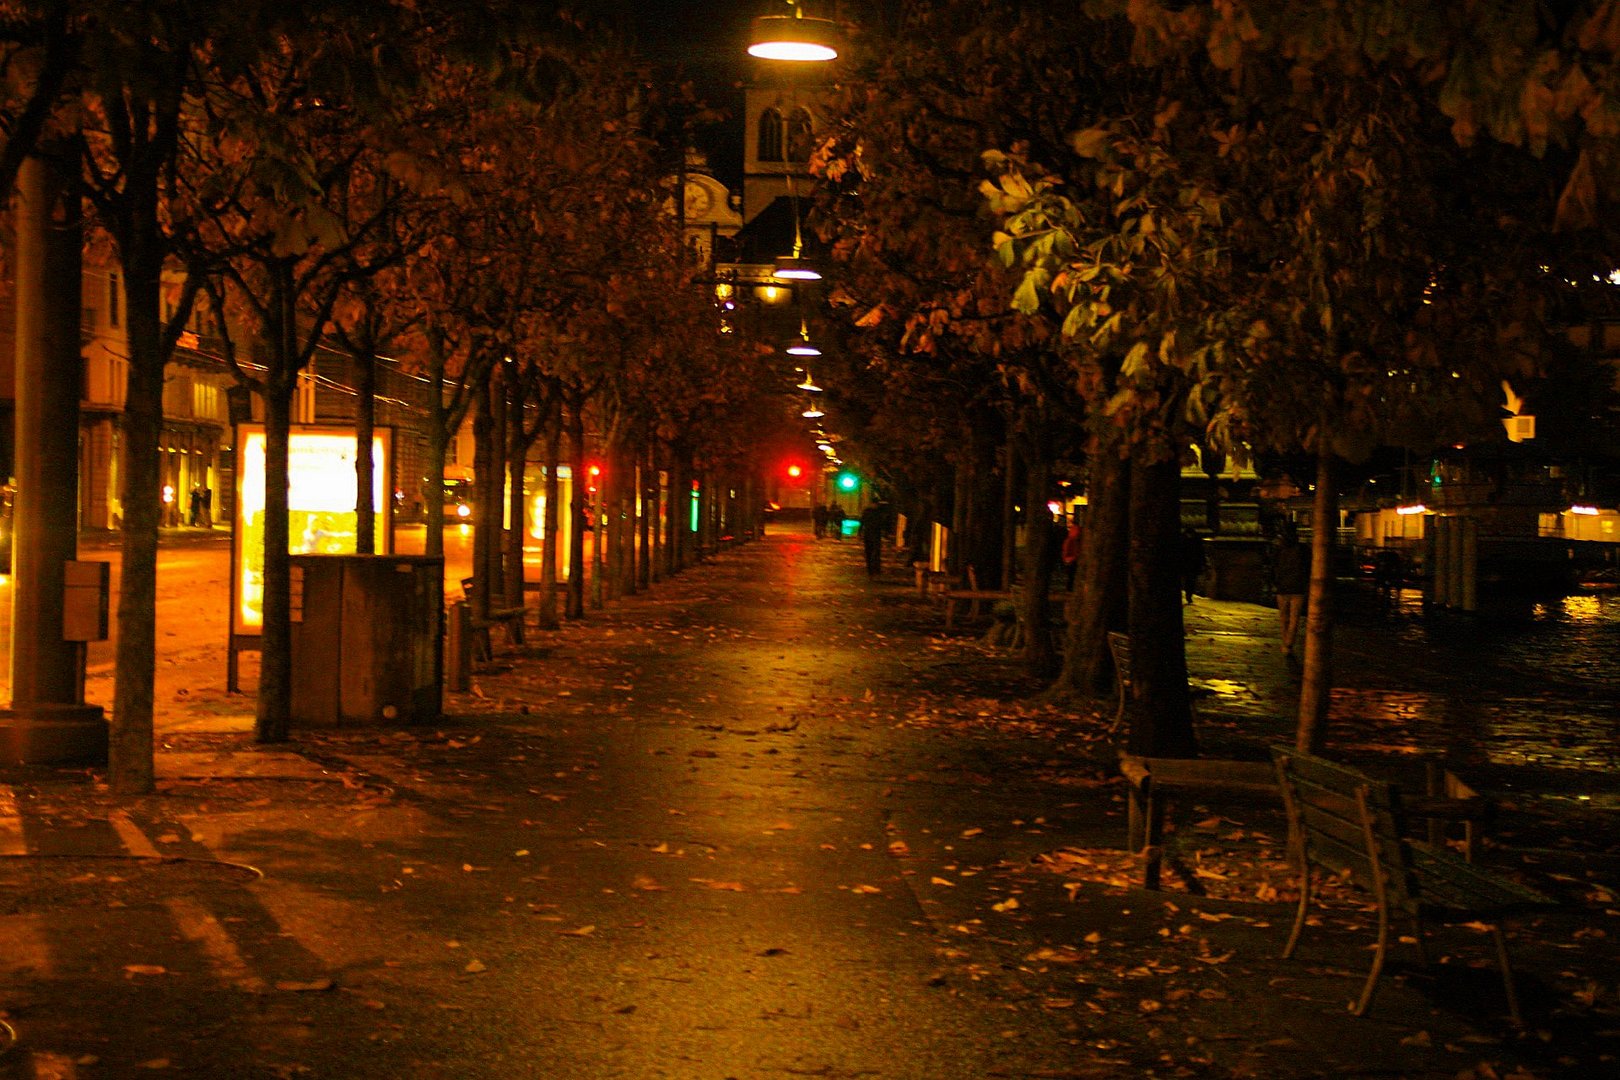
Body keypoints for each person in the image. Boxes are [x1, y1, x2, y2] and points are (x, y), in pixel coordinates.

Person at [1273, 526, 1308, 657]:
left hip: (1283, 588)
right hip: (1297, 588)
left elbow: (1274, 567)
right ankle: (1289, 643)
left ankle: (1285, 641)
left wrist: (1275, 582)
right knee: (1294, 618)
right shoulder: (1303, 550)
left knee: (1284, 617)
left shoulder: (1278, 550)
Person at [1179, 526, 1207, 604]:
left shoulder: (1182, 539)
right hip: (1190, 564)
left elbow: (1201, 553)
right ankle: (1189, 595)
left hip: (1190, 564)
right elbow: (1201, 552)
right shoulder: (1196, 540)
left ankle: (1189, 595)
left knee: (1190, 580)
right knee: (1190, 580)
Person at [859, 501, 887, 578]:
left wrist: (860, 532)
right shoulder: (877, 512)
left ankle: (872, 569)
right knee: (873, 552)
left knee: (872, 552)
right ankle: (873, 569)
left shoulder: (868, 512)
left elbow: (862, 522)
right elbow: (862, 522)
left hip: (870, 534)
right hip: (873, 534)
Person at [1060, 518, 1083, 591]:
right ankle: (1070, 589)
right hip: (1072, 560)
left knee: (1072, 576)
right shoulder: (1073, 540)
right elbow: (1067, 550)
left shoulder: (1072, 540)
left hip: (1072, 559)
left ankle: (1070, 588)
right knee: (1072, 576)